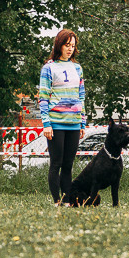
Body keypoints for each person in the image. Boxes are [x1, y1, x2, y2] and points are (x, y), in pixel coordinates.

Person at [39, 29, 86, 205]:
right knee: (56, 164)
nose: (70, 49)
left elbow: (81, 97)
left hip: (73, 123)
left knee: (68, 165)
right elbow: (43, 97)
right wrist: (46, 124)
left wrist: (82, 122)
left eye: (73, 46)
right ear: (59, 45)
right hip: (56, 123)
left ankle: (67, 201)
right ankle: (56, 200)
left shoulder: (77, 68)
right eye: (67, 45)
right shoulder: (48, 68)